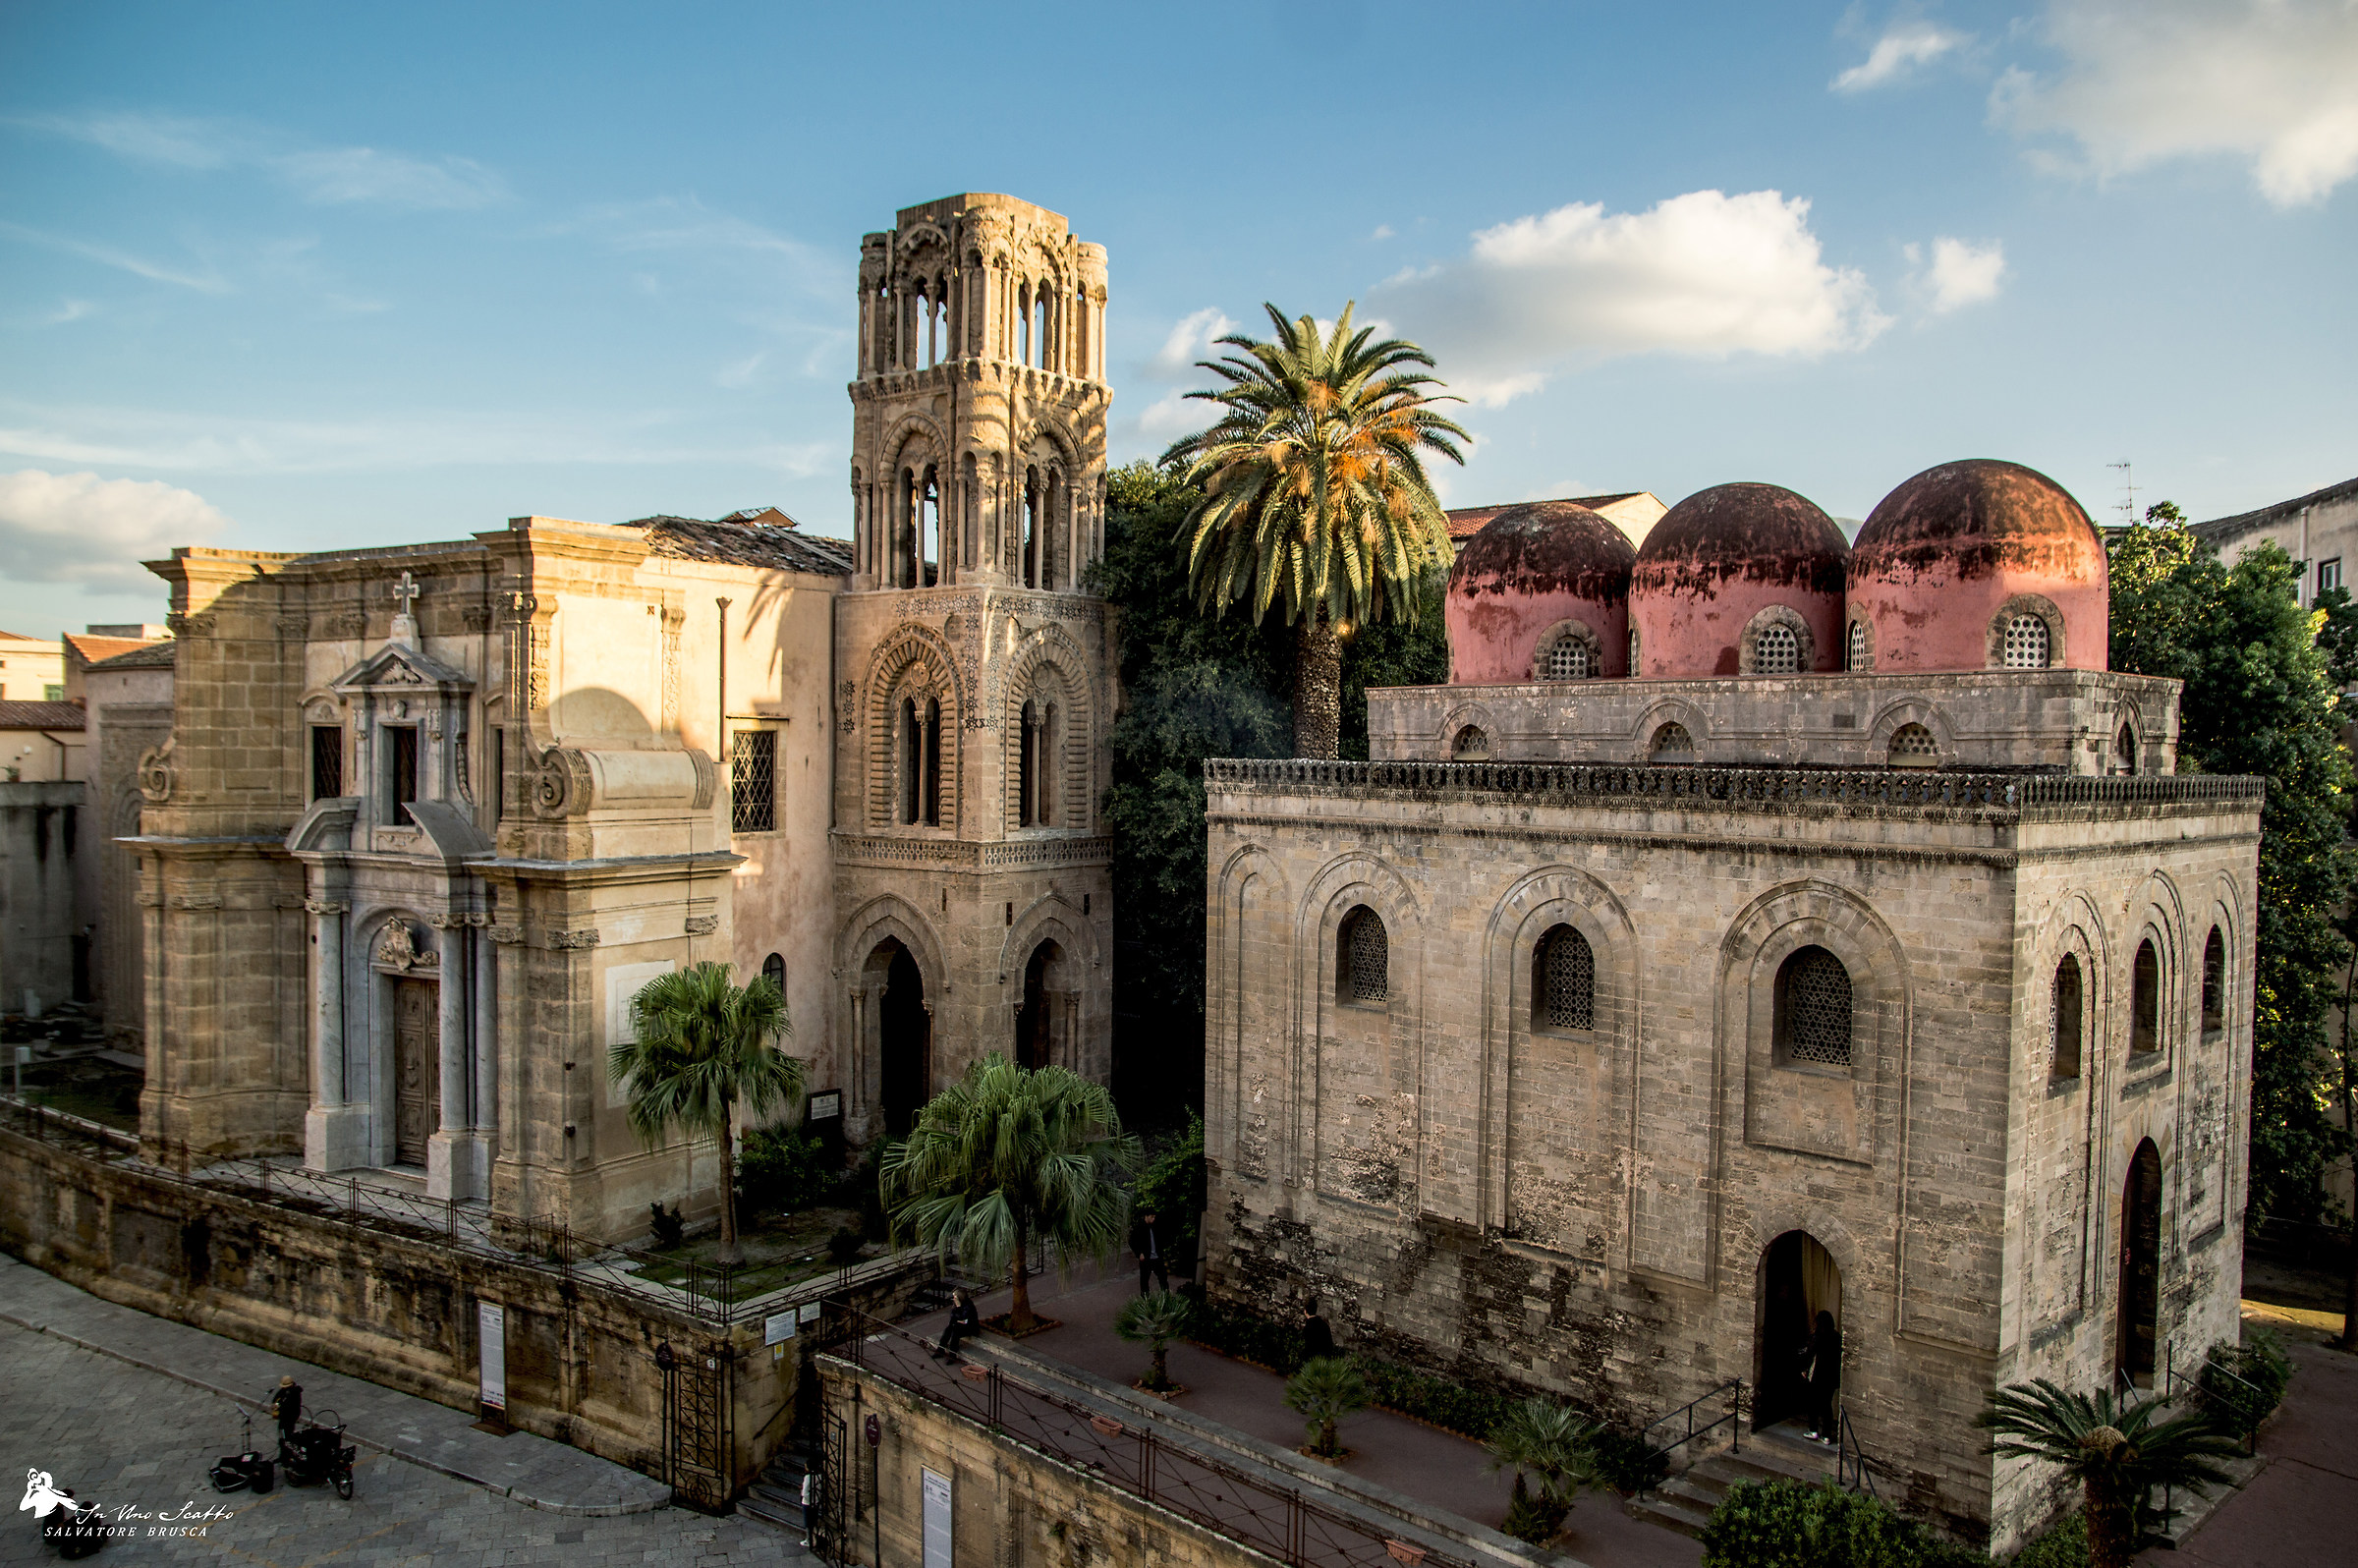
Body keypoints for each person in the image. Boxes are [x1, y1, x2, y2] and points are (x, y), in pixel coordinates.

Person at [1804, 1311, 1842, 1442]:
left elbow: (1811, 1354)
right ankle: (1826, 1435)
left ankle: (1813, 1430)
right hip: (1830, 1378)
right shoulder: (1837, 1337)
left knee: (1813, 1403)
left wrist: (1805, 1368)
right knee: (1827, 1405)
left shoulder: (1818, 1336)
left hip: (1818, 1376)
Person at [1130, 1210, 1169, 1296]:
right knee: (1144, 1280)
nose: (1153, 1219)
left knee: (1163, 1277)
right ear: (1146, 1216)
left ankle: (1165, 1296)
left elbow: (1162, 1239)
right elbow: (1132, 1241)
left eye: (1154, 1217)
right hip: (1146, 1258)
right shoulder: (1139, 1228)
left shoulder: (1156, 1226)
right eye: (1152, 1217)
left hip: (1157, 1257)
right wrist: (1139, 1253)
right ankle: (1145, 1300)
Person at [932, 1289, 980, 1361]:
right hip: (959, 1324)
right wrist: (956, 1312)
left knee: (955, 1332)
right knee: (948, 1329)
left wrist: (959, 1307)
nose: (953, 1299)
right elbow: (953, 1316)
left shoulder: (968, 1305)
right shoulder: (956, 1304)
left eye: (955, 1297)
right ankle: (940, 1350)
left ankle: (952, 1355)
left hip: (970, 1327)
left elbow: (963, 1317)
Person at [269, 1375, 304, 1445]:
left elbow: (290, 1405)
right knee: (282, 1431)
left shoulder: (295, 1392)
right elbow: (278, 1396)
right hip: (283, 1416)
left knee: (288, 1432)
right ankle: (283, 1443)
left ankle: (287, 1445)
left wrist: (280, 1406)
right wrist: (274, 1403)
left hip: (291, 1416)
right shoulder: (284, 1390)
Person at [1299, 1298, 1335, 1363]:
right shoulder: (1325, 1325)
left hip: (1313, 1362)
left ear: (1305, 1311)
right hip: (1325, 1361)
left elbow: (1308, 1348)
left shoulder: (1308, 1328)